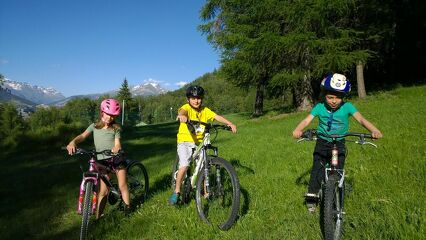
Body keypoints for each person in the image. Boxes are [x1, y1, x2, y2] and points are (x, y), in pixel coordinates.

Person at [292, 73, 383, 212]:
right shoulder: (319, 107)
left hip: (339, 143)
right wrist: (298, 129)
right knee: (318, 168)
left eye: (338, 97)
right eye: (330, 97)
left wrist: (374, 130)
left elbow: (361, 120)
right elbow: (306, 120)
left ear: (343, 97)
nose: (334, 101)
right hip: (322, 142)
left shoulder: (348, 107)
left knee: (338, 169)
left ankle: (335, 193)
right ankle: (312, 197)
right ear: (324, 96)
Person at [168, 85, 237, 205]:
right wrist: (182, 116)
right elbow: (182, 112)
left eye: (199, 98)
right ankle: (177, 191)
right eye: (193, 98)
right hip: (185, 141)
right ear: (188, 99)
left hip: (198, 142)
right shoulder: (186, 108)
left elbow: (216, 117)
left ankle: (205, 192)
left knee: (204, 167)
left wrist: (229, 123)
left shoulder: (205, 110)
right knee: (184, 165)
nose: (196, 100)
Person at [66, 98, 130, 218]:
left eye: (112, 116)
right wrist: (73, 142)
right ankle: (98, 217)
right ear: (102, 112)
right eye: (107, 114)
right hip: (102, 161)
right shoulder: (94, 126)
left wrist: (116, 147)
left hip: (116, 158)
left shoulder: (116, 128)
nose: (109, 118)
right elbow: (82, 136)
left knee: (122, 185)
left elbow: (117, 143)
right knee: (103, 191)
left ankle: (128, 210)